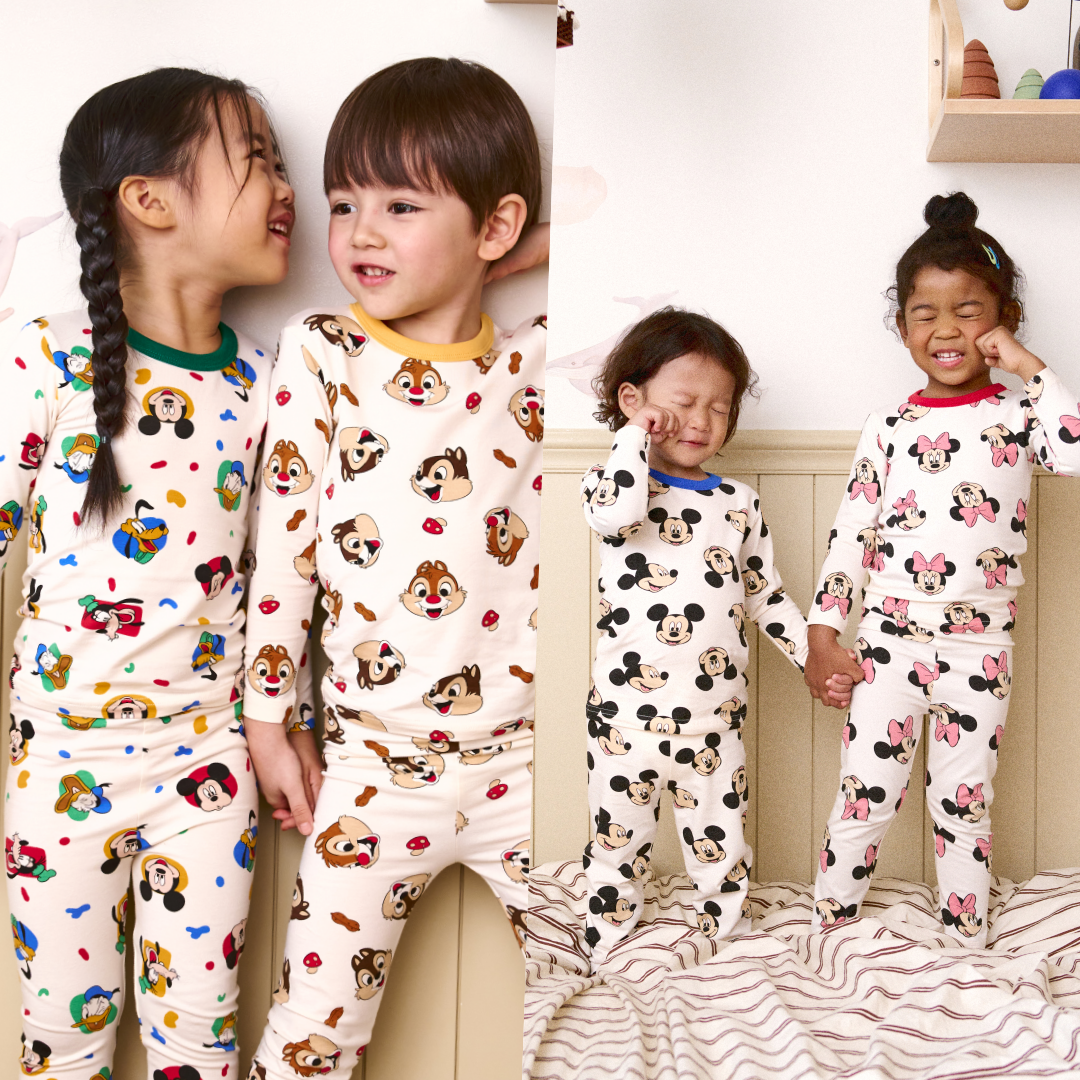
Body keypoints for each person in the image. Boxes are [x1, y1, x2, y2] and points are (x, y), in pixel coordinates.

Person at [2, 68, 310, 1077]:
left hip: (208, 769)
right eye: (257, 159)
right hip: (61, 765)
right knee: (63, 1044)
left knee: (198, 1046)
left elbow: (283, 579)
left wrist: (285, 724)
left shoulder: (267, 382)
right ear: (149, 198)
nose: (288, 187)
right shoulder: (40, 361)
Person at [242, 57, 545, 1073]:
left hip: (527, 768)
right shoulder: (324, 352)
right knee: (311, 1037)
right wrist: (268, 719)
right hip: (371, 767)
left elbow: (639, 223)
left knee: (599, 1000)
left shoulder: (537, 363)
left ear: (497, 227)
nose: (361, 233)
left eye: (402, 205)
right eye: (344, 204)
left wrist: (503, 251)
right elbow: (285, 550)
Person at [805, 191, 1080, 946]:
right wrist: (823, 635)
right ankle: (830, 925)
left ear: (1005, 320)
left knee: (964, 804)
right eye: (925, 314)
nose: (947, 329)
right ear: (902, 328)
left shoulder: (1019, 415)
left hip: (978, 651)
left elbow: (1074, 451)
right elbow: (851, 536)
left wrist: (1029, 368)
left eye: (969, 311)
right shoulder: (889, 428)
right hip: (885, 647)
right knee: (864, 797)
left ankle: (966, 940)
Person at [580, 307, 853, 970]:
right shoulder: (615, 484)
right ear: (632, 400)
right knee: (617, 844)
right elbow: (617, 516)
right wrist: (632, 436)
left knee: (721, 843)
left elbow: (764, 595)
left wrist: (812, 655)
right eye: (683, 403)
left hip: (713, 720)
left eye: (720, 408)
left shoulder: (738, 502)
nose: (702, 421)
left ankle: (724, 938)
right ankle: (607, 942)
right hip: (624, 719)